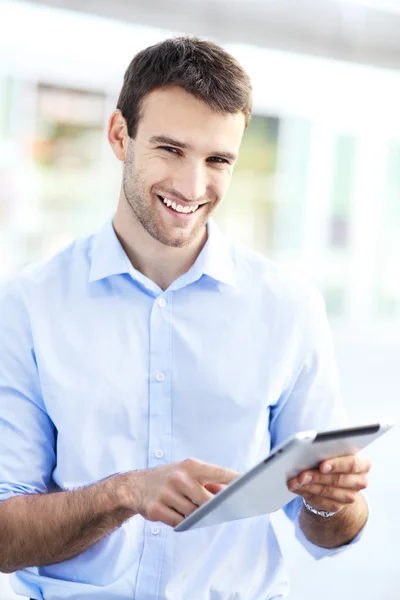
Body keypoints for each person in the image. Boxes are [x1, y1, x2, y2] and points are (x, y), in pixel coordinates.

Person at [0, 37, 371, 600]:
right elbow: (5, 538)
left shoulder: (288, 307)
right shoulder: (29, 304)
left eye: (217, 159)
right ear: (120, 136)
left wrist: (329, 498)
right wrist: (125, 493)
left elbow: (330, 536)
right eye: (171, 149)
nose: (192, 186)